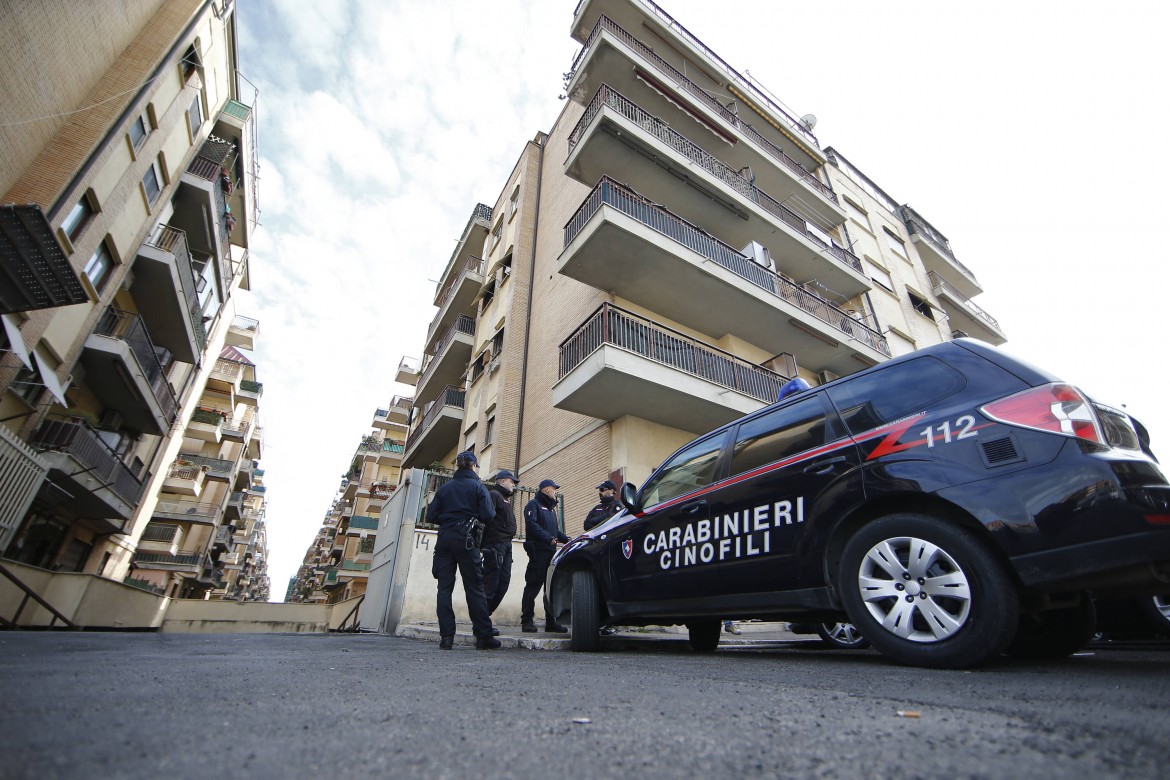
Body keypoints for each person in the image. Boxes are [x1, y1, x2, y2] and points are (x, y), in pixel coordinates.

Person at [428, 451, 500, 650]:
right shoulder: (478, 486)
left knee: (444, 588)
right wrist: (469, 517)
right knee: (475, 588)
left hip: (444, 540)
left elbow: (431, 515)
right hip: (467, 540)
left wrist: (450, 519)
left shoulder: (445, 488)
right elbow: (488, 515)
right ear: (473, 466)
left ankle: (446, 638)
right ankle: (484, 636)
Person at [521, 478, 569, 633]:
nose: (556, 492)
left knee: (551, 589)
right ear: (547, 490)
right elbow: (532, 525)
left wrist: (567, 540)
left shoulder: (551, 509)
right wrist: (548, 538)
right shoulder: (533, 505)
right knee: (533, 586)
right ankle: (527, 621)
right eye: (554, 489)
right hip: (538, 551)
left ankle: (551, 622)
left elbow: (555, 531)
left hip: (551, 553)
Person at [482, 469, 518, 617]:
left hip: (506, 544)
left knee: (504, 582)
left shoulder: (505, 499)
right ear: (503, 481)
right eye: (512, 482)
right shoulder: (494, 495)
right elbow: (487, 518)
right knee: (492, 583)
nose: (514, 485)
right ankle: (482, 621)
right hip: (496, 545)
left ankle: (485, 615)